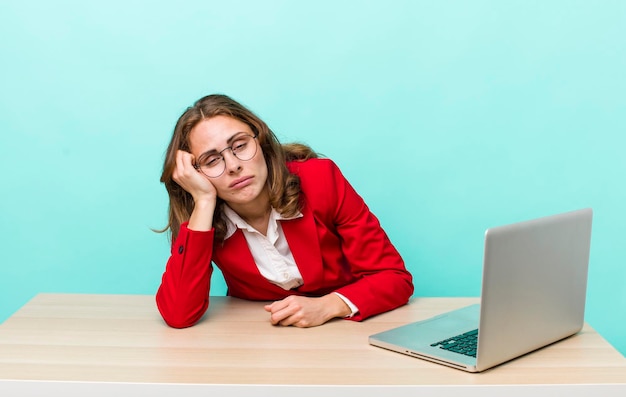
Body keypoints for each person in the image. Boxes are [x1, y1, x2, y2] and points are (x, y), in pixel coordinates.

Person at [156, 94, 414, 328]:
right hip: (259, 340)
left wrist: (329, 306)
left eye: (240, 145)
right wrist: (202, 200)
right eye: (211, 160)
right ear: (195, 173)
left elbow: (393, 277)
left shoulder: (320, 179)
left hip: (345, 331)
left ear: (262, 141)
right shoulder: (203, 217)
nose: (233, 165)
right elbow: (178, 314)